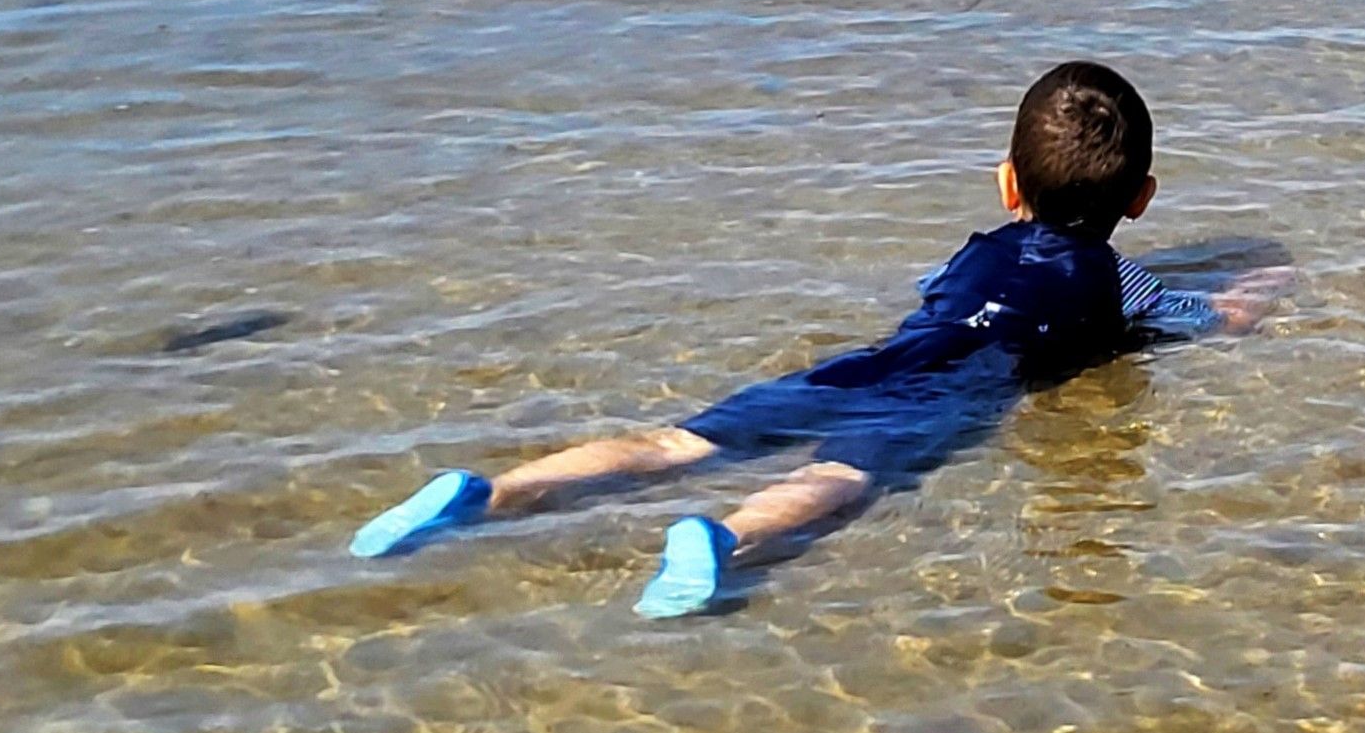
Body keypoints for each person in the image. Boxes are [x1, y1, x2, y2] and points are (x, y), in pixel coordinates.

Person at [345, 61, 1283, 617]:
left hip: (869, 364)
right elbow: (1217, 322)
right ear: (1141, 200)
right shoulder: (1124, 280)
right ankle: (722, 539)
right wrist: (1262, 280)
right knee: (837, 480)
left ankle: (491, 492)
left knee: (681, 440)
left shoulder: (972, 253)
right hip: (947, 396)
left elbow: (940, 303)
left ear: (1007, 184)